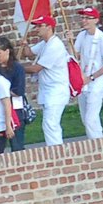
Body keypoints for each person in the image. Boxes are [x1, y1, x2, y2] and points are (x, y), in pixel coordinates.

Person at [23, 16, 71, 146]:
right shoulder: (45, 43)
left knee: (51, 125)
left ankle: (57, 154)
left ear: (49, 27)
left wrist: (17, 69)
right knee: (49, 125)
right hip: (48, 91)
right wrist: (25, 43)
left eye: (40, 26)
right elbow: (28, 53)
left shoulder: (54, 45)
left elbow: (37, 68)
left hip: (56, 91)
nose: (37, 29)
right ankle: (56, 152)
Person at [75, 6, 103, 137]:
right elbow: (74, 56)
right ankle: (100, 141)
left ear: (96, 20)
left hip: (96, 82)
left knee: (90, 118)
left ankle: (96, 146)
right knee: (85, 119)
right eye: (83, 18)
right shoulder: (81, 35)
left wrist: (91, 77)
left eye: (88, 18)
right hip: (83, 80)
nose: (84, 21)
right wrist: (70, 42)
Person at [0, 37, 29, 150]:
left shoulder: (17, 68)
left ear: (7, 51)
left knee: (16, 144)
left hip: (15, 110)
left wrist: (2, 90)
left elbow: (19, 91)